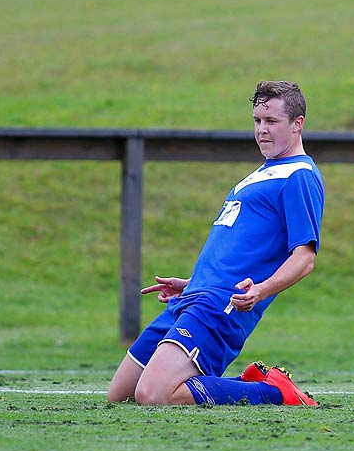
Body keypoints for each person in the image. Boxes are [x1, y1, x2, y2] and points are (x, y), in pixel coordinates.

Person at [106, 81, 325, 407]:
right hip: (194, 298)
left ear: (298, 124)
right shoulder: (258, 175)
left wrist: (260, 291)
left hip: (220, 306)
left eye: (272, 122)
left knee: (152, 395)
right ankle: (249, 383)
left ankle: (276, 392)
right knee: (119, 394)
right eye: (257, 121)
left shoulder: (299, 176)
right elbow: (240, 249)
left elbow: (304, 258)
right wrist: (191, 284)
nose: (262, 131)